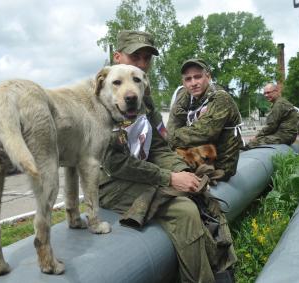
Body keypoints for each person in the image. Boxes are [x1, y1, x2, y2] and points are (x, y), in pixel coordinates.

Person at [99, 30, 236, 283]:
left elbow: (159, 147)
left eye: (147, 59)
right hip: (111, 182)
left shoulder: (144, 99)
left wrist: (185, 171)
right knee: (184, 210)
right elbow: (114, 163)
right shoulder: (104, 98)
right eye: (135, 57)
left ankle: (224, 271)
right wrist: (170, 178)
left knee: (201, 194)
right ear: (117, 56)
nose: (142, 64)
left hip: (142, 173)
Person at [167, 59, 243, 181]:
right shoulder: (188, 96)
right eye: (188, 79)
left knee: (168, 163)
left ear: (208, 77)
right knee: (162, 160)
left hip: (221, 164)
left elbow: (203, 133)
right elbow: (173, 123)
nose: (193, 83)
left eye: (198, 77)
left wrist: (168, 139)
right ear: (184, 82)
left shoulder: (220, 98)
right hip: (200, 153)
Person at [246, 83, 298, 148]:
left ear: (276, 92)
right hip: (287, 135)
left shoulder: (279, 105)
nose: (266, 95)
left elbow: (271, 126)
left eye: (268, 92)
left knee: (252, 143)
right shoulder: (280, 102)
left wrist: (256, 137)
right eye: (264, 93)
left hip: (285, 136)